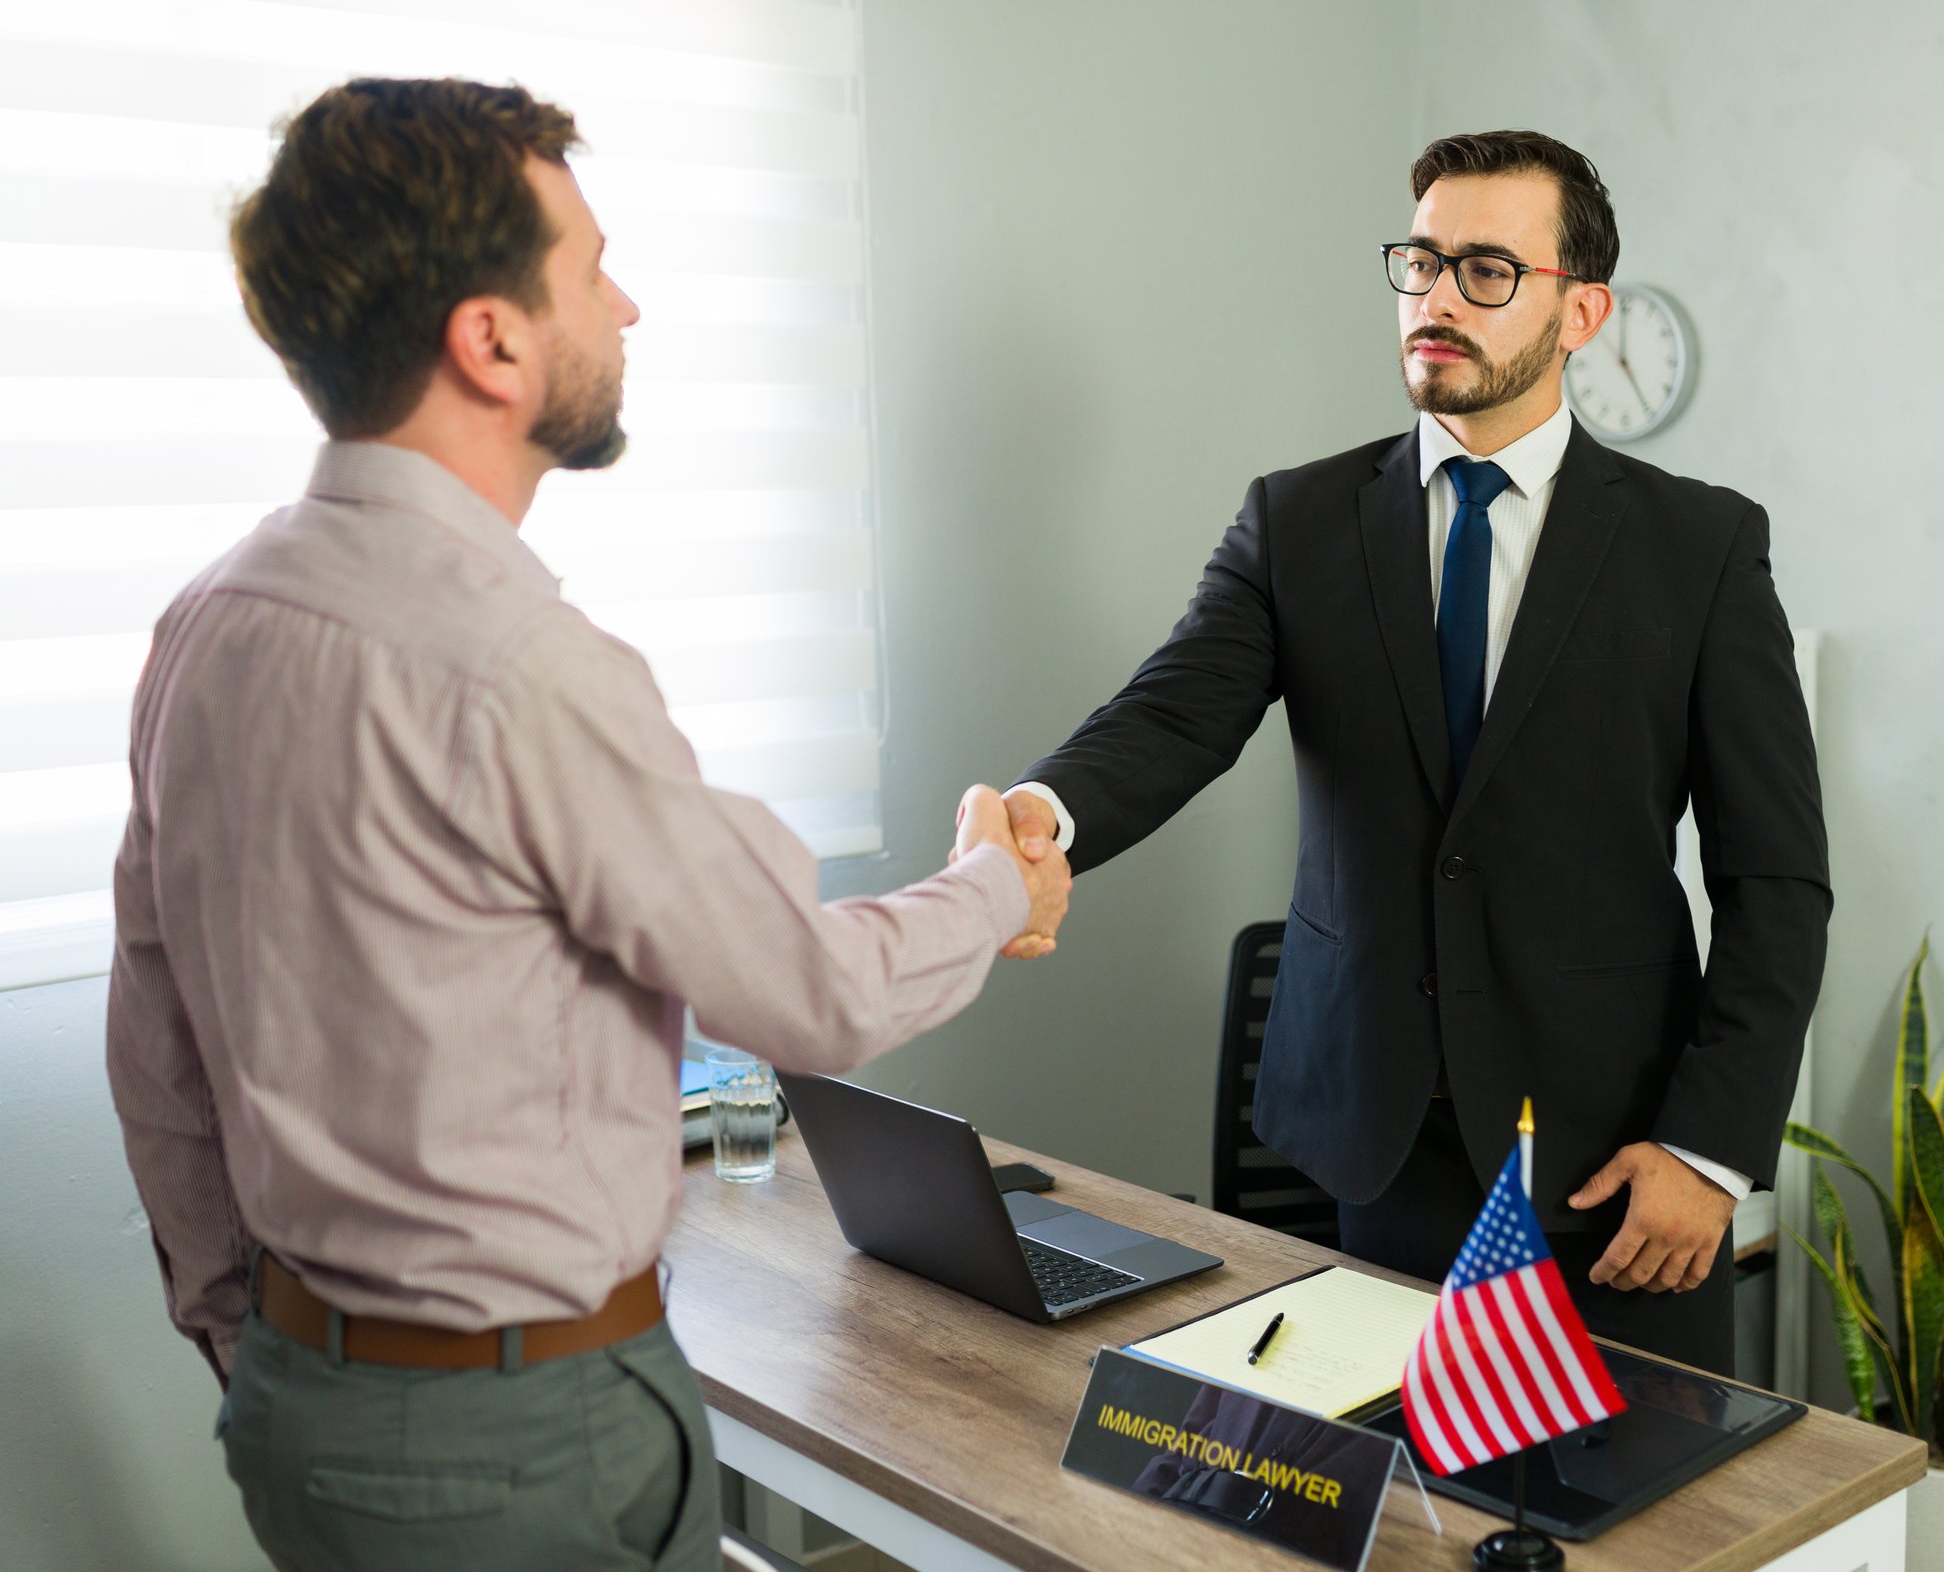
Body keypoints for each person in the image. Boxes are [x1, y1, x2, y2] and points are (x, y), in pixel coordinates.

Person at [104, 77, 1068, 1572]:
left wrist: (251, 1343)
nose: (628, 308)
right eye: (592, 268)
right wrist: (994, 885)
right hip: (519, 1444)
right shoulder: (520, 666)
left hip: (309, 1408)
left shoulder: (206, 625)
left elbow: (158, 1048)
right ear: (489, 340)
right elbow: (808, 993)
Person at [999, 130, 1827, 1375]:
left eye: (1488, 269)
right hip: (1373, 1137)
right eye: (1422, 262)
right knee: (1388, 1518)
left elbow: (1777, 883)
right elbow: (1173, 714)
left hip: (1615, 1158)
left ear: (1581, 309)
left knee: (1638, 1536)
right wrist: (1037, 813)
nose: (1438, 297)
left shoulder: (1699, 549)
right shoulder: (1298, 520)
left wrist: (1708, 1151)